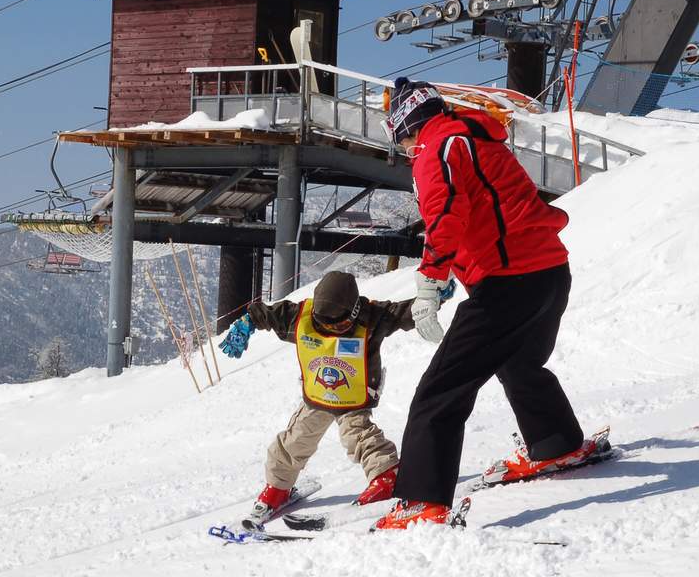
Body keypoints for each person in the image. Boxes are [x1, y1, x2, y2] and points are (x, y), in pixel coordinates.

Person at [372, 78, 605, 530]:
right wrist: (455, 273)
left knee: (440, 389)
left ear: (406, 123)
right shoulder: (472, 136)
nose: (401, 147)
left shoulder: (436, 148)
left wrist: (429, 280)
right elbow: (487, 211)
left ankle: (422, 500)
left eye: (396, 133)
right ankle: (555, 442)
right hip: (549, 272)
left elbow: (445, 216)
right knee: (519, 364)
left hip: (509, 282)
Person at [218, 271, 417, 528]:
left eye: (339, 325)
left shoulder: (374, 317)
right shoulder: (299, 317)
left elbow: (405, 312)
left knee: (358, 436)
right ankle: (279, 487)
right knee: (294, 441)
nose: (331, 329)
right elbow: (266, 314)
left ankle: (385, 474)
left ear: (355, 311)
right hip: (318, 397)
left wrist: (429, 301)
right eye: (325, 323)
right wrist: (246, 323)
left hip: (353, 398)